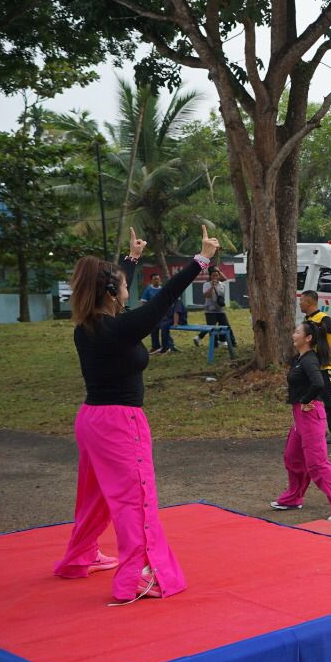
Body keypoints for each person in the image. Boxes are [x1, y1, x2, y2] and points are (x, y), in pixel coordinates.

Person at [54, 226, 216, 604]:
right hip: (118, 424)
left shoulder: (89, 325)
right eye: (124, 285)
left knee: (94, 497)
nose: (129, 290)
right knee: (135, 500)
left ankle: (80, 555)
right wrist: (201, 259)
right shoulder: (121, 328)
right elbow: (165, 299)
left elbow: (115, 290)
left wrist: (130, 258)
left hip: (92, 420)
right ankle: (138, 576)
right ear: (112, 293)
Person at [270, 320, 331, 523]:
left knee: (317, 464)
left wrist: (306, 400)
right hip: (299, 417)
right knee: (292, 458)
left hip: (310, 416)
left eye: (297, 332)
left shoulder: (309, 360)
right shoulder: (298, 358)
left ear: (308, 338)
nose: (293, 334)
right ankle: (293, 498)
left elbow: (319, 383)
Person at [299, 290, 331, 442]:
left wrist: (328, 354)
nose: (299, 303)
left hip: (324, 367)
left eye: (301, 301)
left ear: (309, 302)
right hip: (311, 367)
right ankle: (317, 429)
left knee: (330, 399)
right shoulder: (308, 319)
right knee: (313, 399)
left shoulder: (323, 318)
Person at [198, 265, 234, 357]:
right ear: (210, 276)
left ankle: (232, 343)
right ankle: (214, 345)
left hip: (220, 310)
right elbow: (207, 296)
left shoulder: (223, 285)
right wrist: (212, 287)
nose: (215, 277)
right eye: (213, 275)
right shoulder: (206, 284)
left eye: (216, 275)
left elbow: (221, 297)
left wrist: (218, 272)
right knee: (212, 328)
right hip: (210, 310)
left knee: (226, 326)